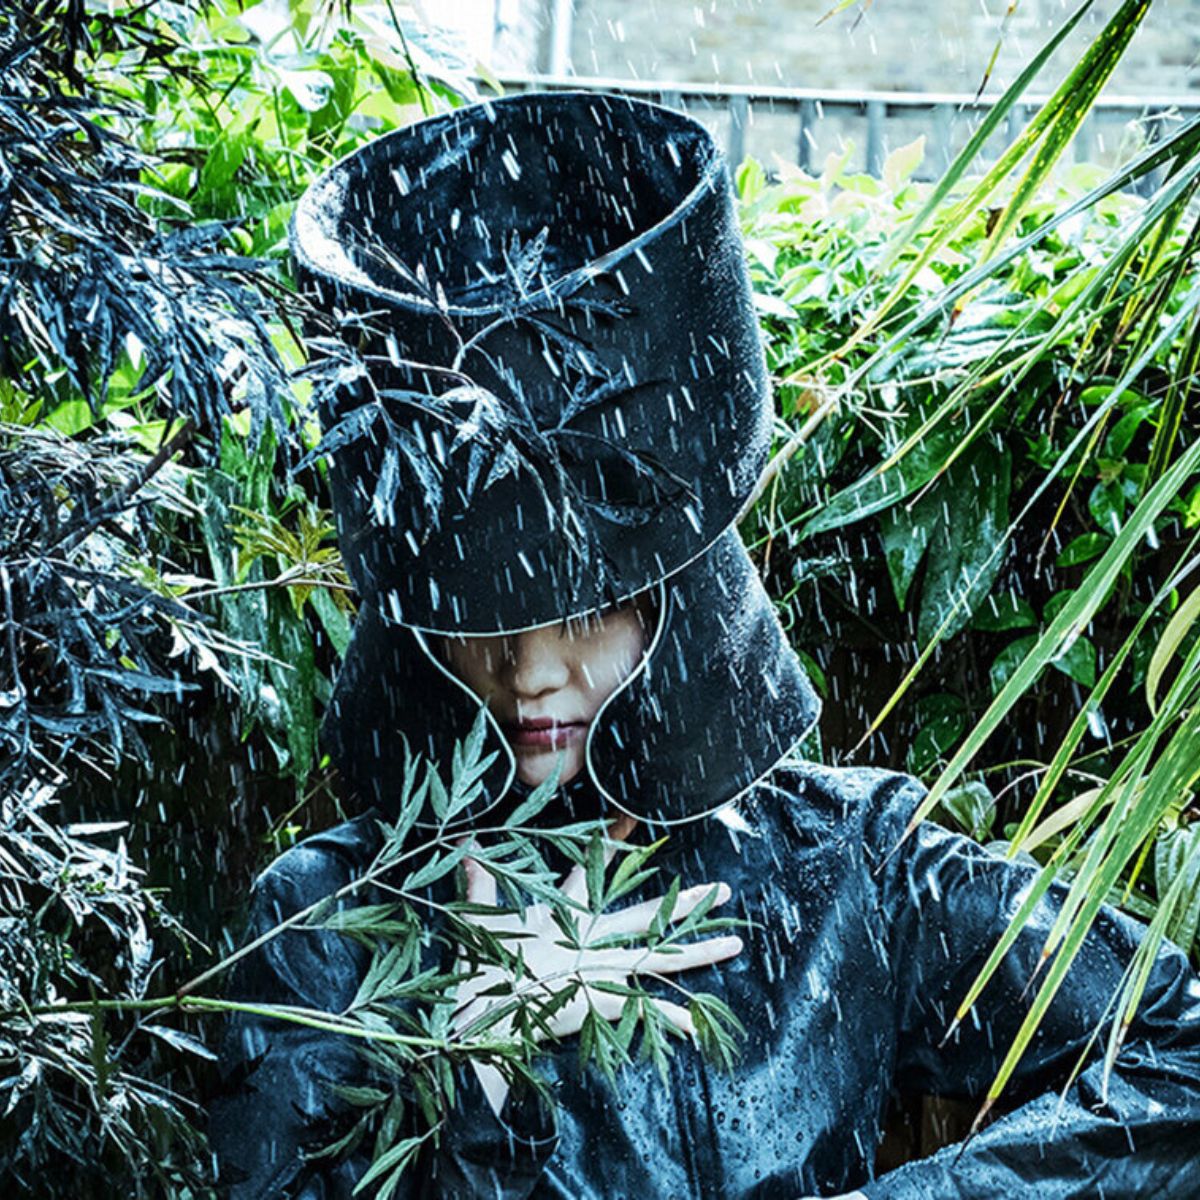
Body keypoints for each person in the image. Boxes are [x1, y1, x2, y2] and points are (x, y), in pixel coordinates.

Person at [209, 91, 1200, 1198]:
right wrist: (475, 1090)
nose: (533, 671)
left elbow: (1180, 1051)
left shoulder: (848, 867)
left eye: (585, 611)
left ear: (674, 596)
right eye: (491, 623)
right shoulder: (325, 927)